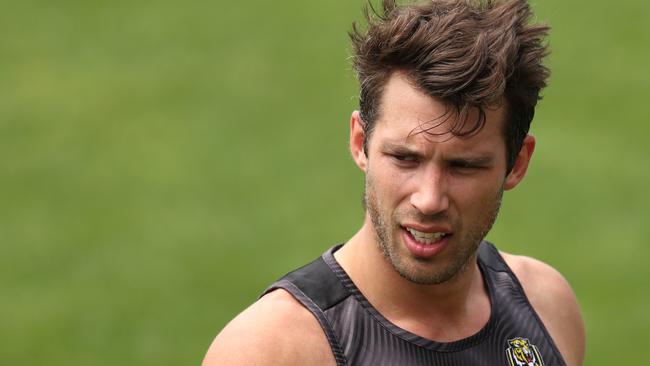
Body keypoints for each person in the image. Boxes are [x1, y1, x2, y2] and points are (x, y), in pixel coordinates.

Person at [203, 0, 585, 365]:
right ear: (360, 142)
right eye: (405, 158)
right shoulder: (272, 350)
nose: (429, 199)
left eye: (463, 166)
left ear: (517, 163)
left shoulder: (545, 304)